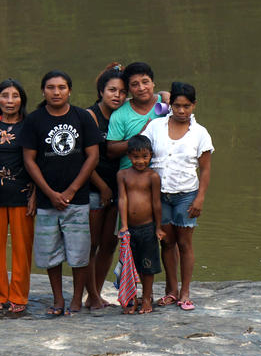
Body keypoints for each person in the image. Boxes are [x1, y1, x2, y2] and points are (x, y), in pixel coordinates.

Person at [20, 70, 101, 316]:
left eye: (62, 87)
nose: (56, 92)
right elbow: (29, 160)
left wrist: (71, 190)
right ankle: (57, 299)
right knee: (49, 253)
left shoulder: (82, 117)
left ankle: (76, 299)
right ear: (43, 91)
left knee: (79, 253)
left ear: (70, 91)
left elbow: (93, 156)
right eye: (51, 87)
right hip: (47, 201)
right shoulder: (34, 120)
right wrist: (50, 193)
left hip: (77, 199)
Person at [105, 62, 174, 304]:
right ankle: (130, 295)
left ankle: (171, 291)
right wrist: (139, 140)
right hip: (131, 183)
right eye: (134, 84)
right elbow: (112, 149)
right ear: (128, 88)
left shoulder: (165, 105)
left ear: (153, 83)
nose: (141, 88)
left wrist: (166, 96)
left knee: (167, 238)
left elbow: (183, 113)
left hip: (164, 179)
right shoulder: (121, 114)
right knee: (128, 246)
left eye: (145, 82)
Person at [143, 81, 213, 312]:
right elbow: (142, 151)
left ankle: (185, 292)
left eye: (186, 106)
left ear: (194, 105)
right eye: (176, 106)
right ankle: (171, 291)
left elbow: (205, 169)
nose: (181, 111)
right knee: (167, 242)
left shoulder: (200, 133)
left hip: (186, 194)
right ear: (169, 105)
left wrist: (200, 198)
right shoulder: (156, 127)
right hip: (159, 195)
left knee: (185, 243)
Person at [0, 78, 35, 315]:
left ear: (22, 99)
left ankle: (19, 294)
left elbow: (37, 160)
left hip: (23, 193)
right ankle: (0, 293)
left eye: (15, 96)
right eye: (4, 96)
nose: (9, 101)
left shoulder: (31, 124)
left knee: (22, 247)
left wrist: (35, 193)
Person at [83, 64, 125, 311]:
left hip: (117, 187)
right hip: (92, 186)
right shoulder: (90, 116)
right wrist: (101, 186)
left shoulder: (124, 114)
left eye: (121, 91)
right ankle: (91, 294)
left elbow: (161, 98)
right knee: (91, 244)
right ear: (101, 91)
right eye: (112, 90)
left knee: (110, 243)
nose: (117, 95)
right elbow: (83, 157)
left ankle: (95, 294)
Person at [116, 134, 163, 314]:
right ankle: (132, 299)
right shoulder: (123, 175)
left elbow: (156, 203)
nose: (140, 161)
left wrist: (158, 227)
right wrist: (124, 226)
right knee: (131, 266)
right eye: (136, 157)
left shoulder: (153, 176)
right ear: (129, 156)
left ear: (151, 155)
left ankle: (147, 298)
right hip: (131, 229)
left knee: (148, 266)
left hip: (148, 227)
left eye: (145, 156)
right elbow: (122, 199)